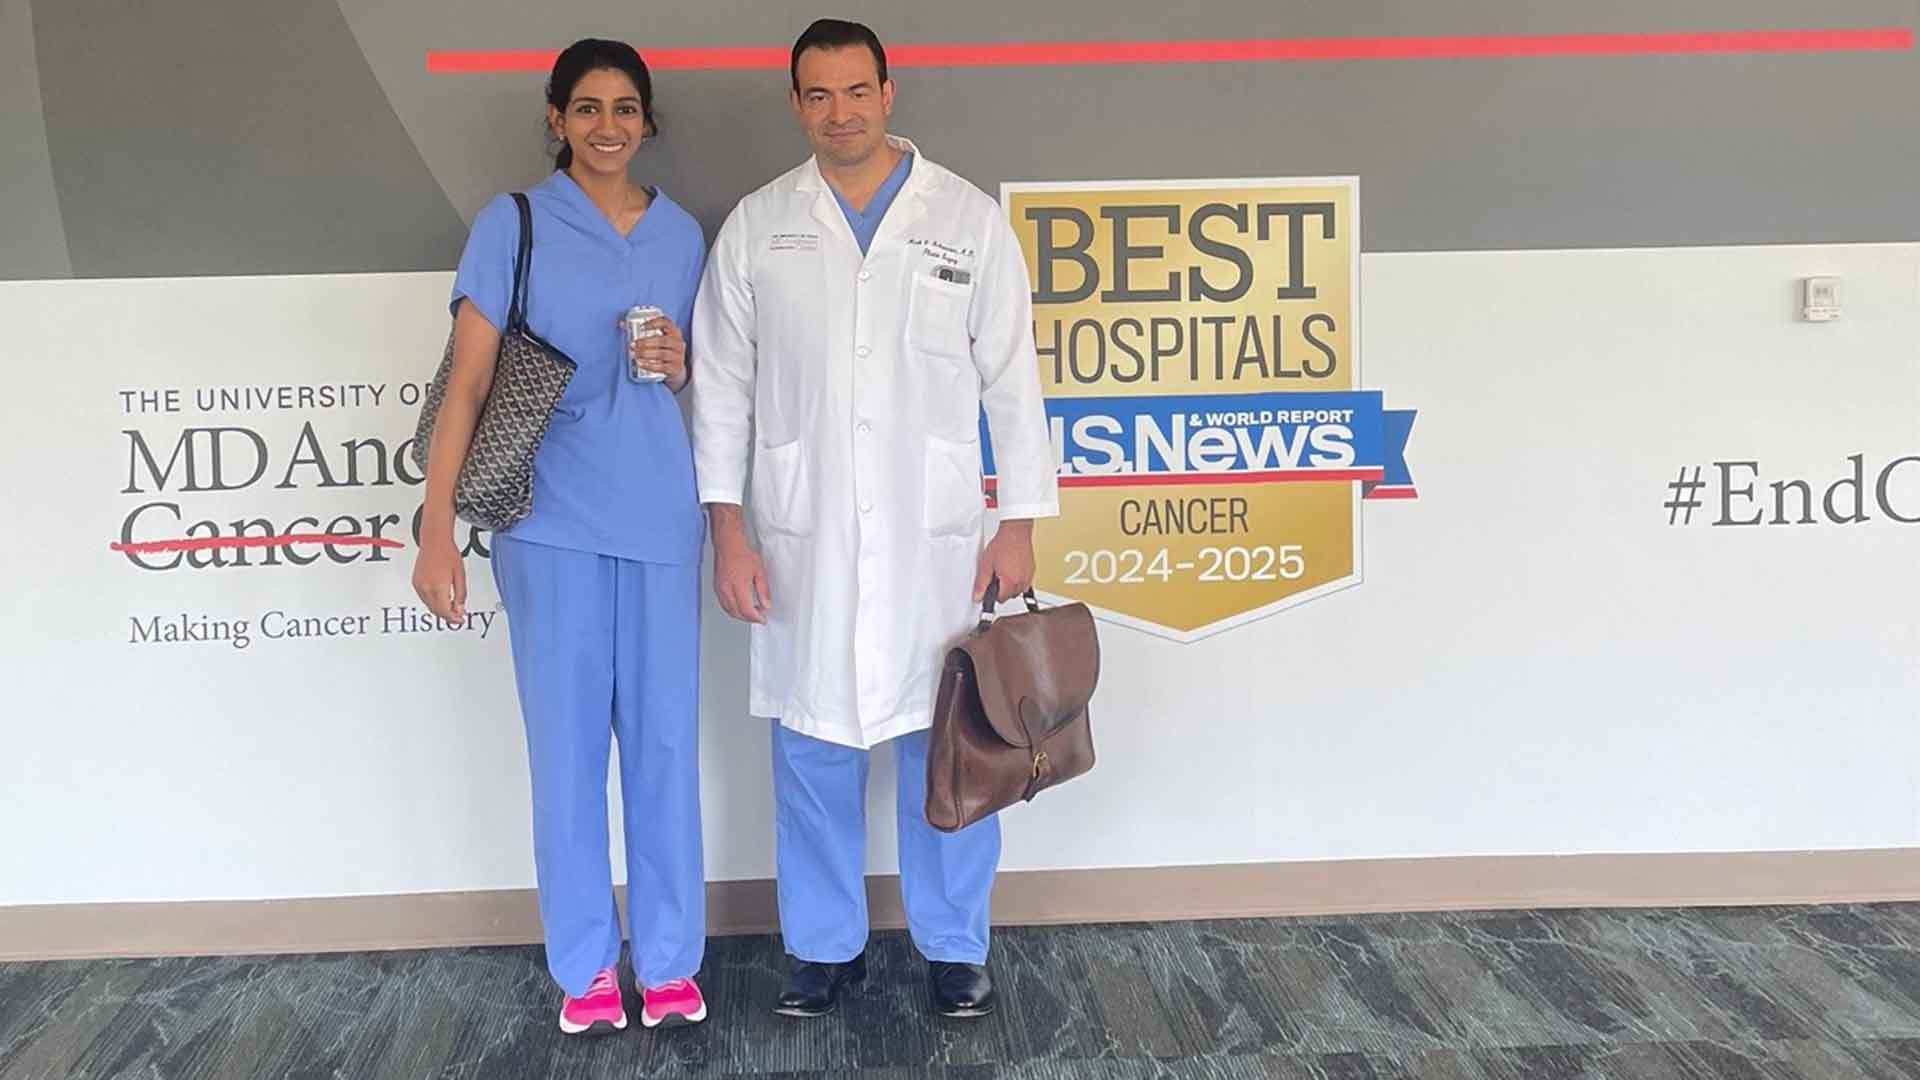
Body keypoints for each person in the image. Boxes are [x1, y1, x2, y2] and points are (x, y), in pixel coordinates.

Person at [689, 18, 1058, 1019]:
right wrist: (727, 528)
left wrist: (1019, 519)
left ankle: (954, 948)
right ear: (795, 103)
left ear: (890, 92)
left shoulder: (964, 219)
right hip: (798, 537)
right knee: (811, 752)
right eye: (818, 94)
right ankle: (823, 949)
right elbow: (720, 385)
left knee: (951, 750)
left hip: (935, 537)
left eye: (857, 91)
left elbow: (1012, 378)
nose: (840, 112)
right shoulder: (762, 227)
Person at [411, 38, 709, 1035]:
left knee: (664, 747)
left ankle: (668, 963)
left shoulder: (682, 236)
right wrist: (436, 531)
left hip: (662, 518)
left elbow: (708, 382)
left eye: (626, 108)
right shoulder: (516, 224)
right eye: (588, 108)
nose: (608, 126)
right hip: (548, 525)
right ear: (556, 119)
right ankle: (586, 968)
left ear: (647, 120)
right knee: (569, 755)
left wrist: (681, 362)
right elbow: (467, 383)